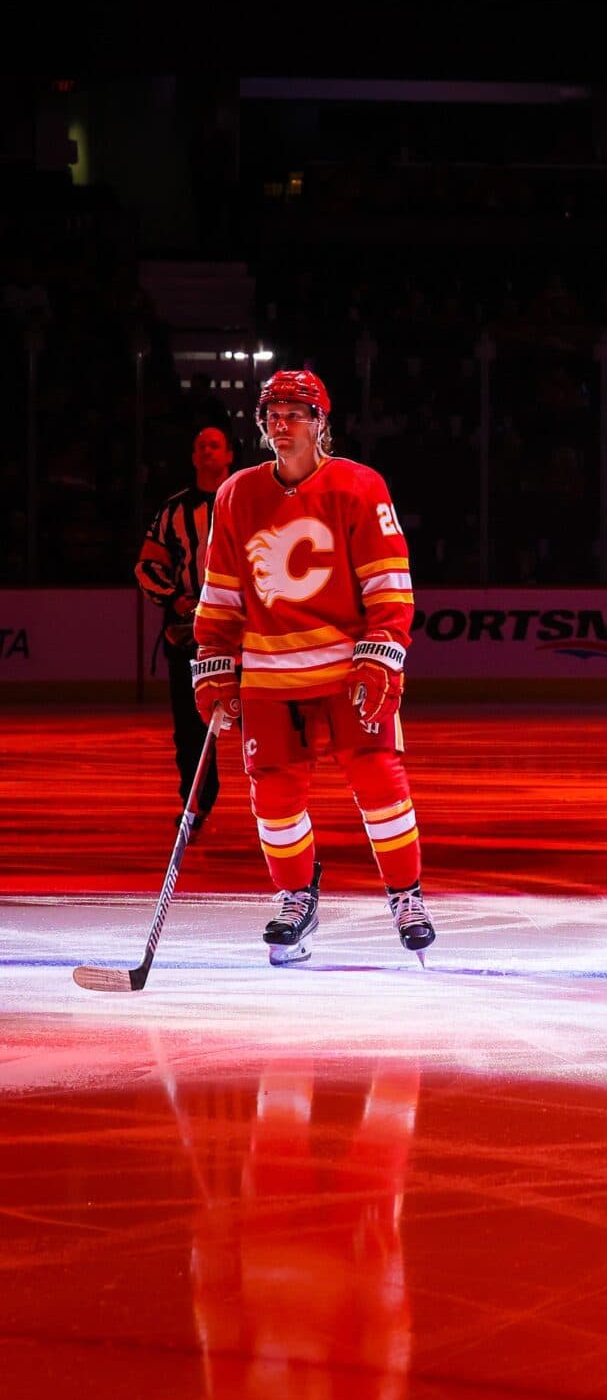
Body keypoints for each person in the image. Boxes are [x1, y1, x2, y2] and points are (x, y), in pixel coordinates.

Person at [191, 370, 433, 963]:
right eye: (273, 414)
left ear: (320, 423)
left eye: (295, 414)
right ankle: (296, 897)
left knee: (379, 780)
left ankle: (406, 895)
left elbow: (389, 584)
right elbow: (220, 594)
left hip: (347, 670)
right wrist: (214, 663)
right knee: (273, 794)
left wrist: (381, 654)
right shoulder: (236, 495)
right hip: (269, 674)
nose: (282, 424)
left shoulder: (359, 486)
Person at [136, 423, 233, 826]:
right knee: (190, 726)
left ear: (229, 455)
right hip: (188, 631)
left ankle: (279, 803)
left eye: (215, 445)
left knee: (264, 717)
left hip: (244, 630)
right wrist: (175, 598)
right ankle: (195, 804)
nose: (207, 451)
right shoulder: (173, 510)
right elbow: (147, 565)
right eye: (201, 446)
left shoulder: (249, 502)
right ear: (194, 458)